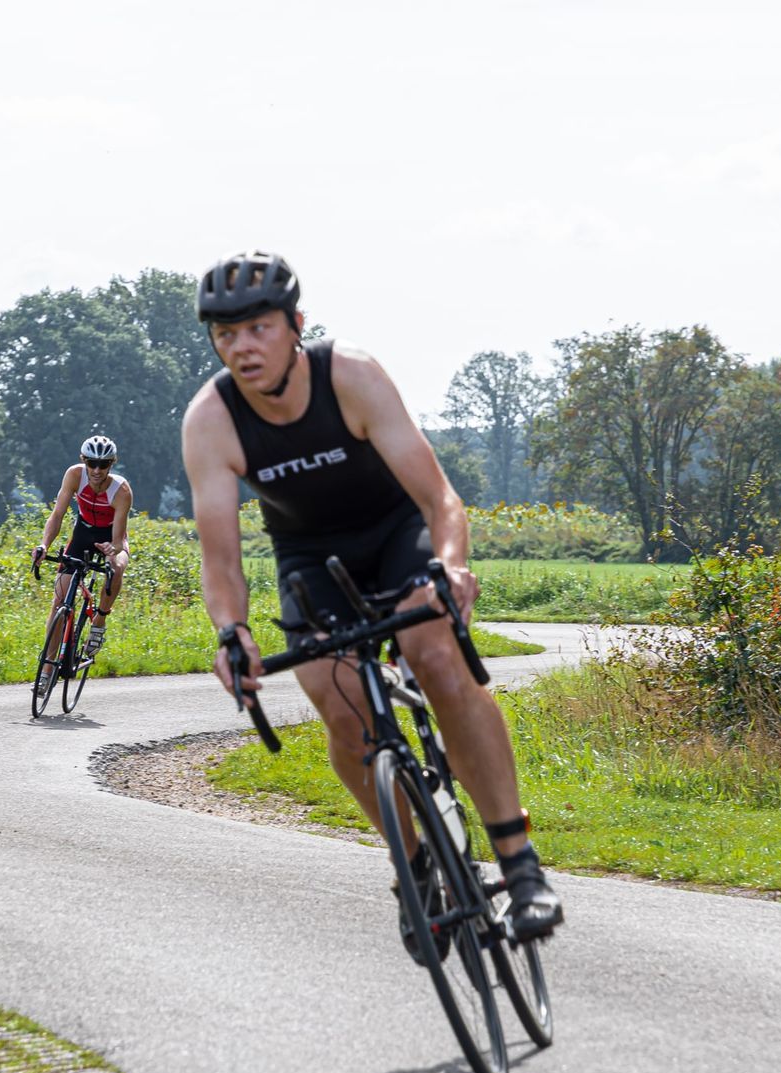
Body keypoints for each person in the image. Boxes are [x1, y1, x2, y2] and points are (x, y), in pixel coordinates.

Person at [179, 249, 562, 942]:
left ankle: (519, 862)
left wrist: (449, 567)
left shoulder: (349, 375)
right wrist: (230, 631)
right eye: (225, 334)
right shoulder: (212, 420)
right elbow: (223, 559)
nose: (242, 347)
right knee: (339, 699)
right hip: (311, 559)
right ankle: (413, 863)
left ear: (295, 324)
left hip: (396, 534)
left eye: (258, 328)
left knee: (435, 654)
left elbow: (438, 497)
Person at [32, 435, 132, 655]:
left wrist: (113, 550)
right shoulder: (74, 475)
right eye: (91, 463)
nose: (97, 470)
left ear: (111, 464)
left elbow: (117, 541)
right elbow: (57, 515)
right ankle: (46, 672)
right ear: (83, 460)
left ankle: (99, 622)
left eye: (103, 464)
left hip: (110, 536)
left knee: (116, 569)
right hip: (82, 533)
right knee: (59, 601)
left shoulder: (122, 491)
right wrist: (44, 546)